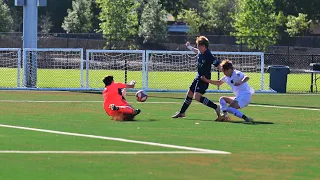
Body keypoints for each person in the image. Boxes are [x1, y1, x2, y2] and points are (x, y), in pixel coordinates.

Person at [172, 36, 221, 120]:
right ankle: (182, 112)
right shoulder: (200, 52)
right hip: (198, 78)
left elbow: (218, 64)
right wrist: (189, 47)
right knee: (189, 94)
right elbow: (196, 51)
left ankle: (216, 107)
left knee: (197, 97)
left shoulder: (208, 55)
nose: (197, 47)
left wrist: (227, 71)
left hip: (204, 80)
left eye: (198, 45)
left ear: (203, 46)